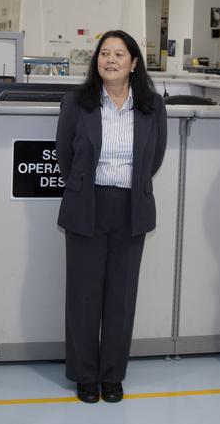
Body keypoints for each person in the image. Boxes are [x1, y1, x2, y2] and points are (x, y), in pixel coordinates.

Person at [55, 30, 167, 404]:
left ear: (134, 63)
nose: (111, 60)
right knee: (83, 296)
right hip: (87, 203)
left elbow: (154, 159)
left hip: (131, 208)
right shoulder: (76, 103)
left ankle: (112, 375)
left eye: (120, 54)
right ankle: (85, 375)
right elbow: (66, 156)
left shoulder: (152, 106)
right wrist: (87, 183)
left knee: (121, 297)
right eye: (104, 53)